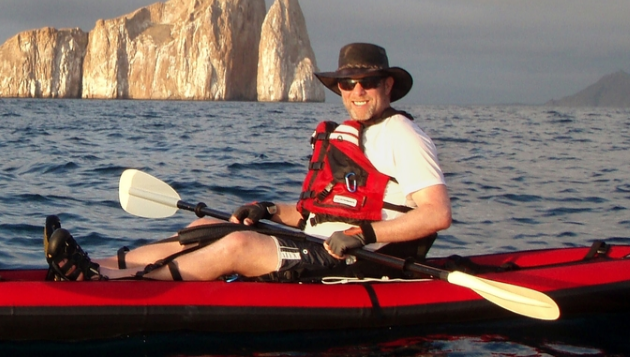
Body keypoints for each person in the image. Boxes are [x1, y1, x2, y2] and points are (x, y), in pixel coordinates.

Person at [45, 42, 452, 281]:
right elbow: (316, 214)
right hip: (319, 242)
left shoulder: (403, 135)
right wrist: (271, 209)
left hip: (362, 259)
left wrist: (363, 235)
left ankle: (120, 282)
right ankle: (96, 264)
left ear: (388, 85)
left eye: (367, 83)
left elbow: (436, 214)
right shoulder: (348, 134)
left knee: (238, 244)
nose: (357, 91)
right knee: (208, 225)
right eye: (348, 84)